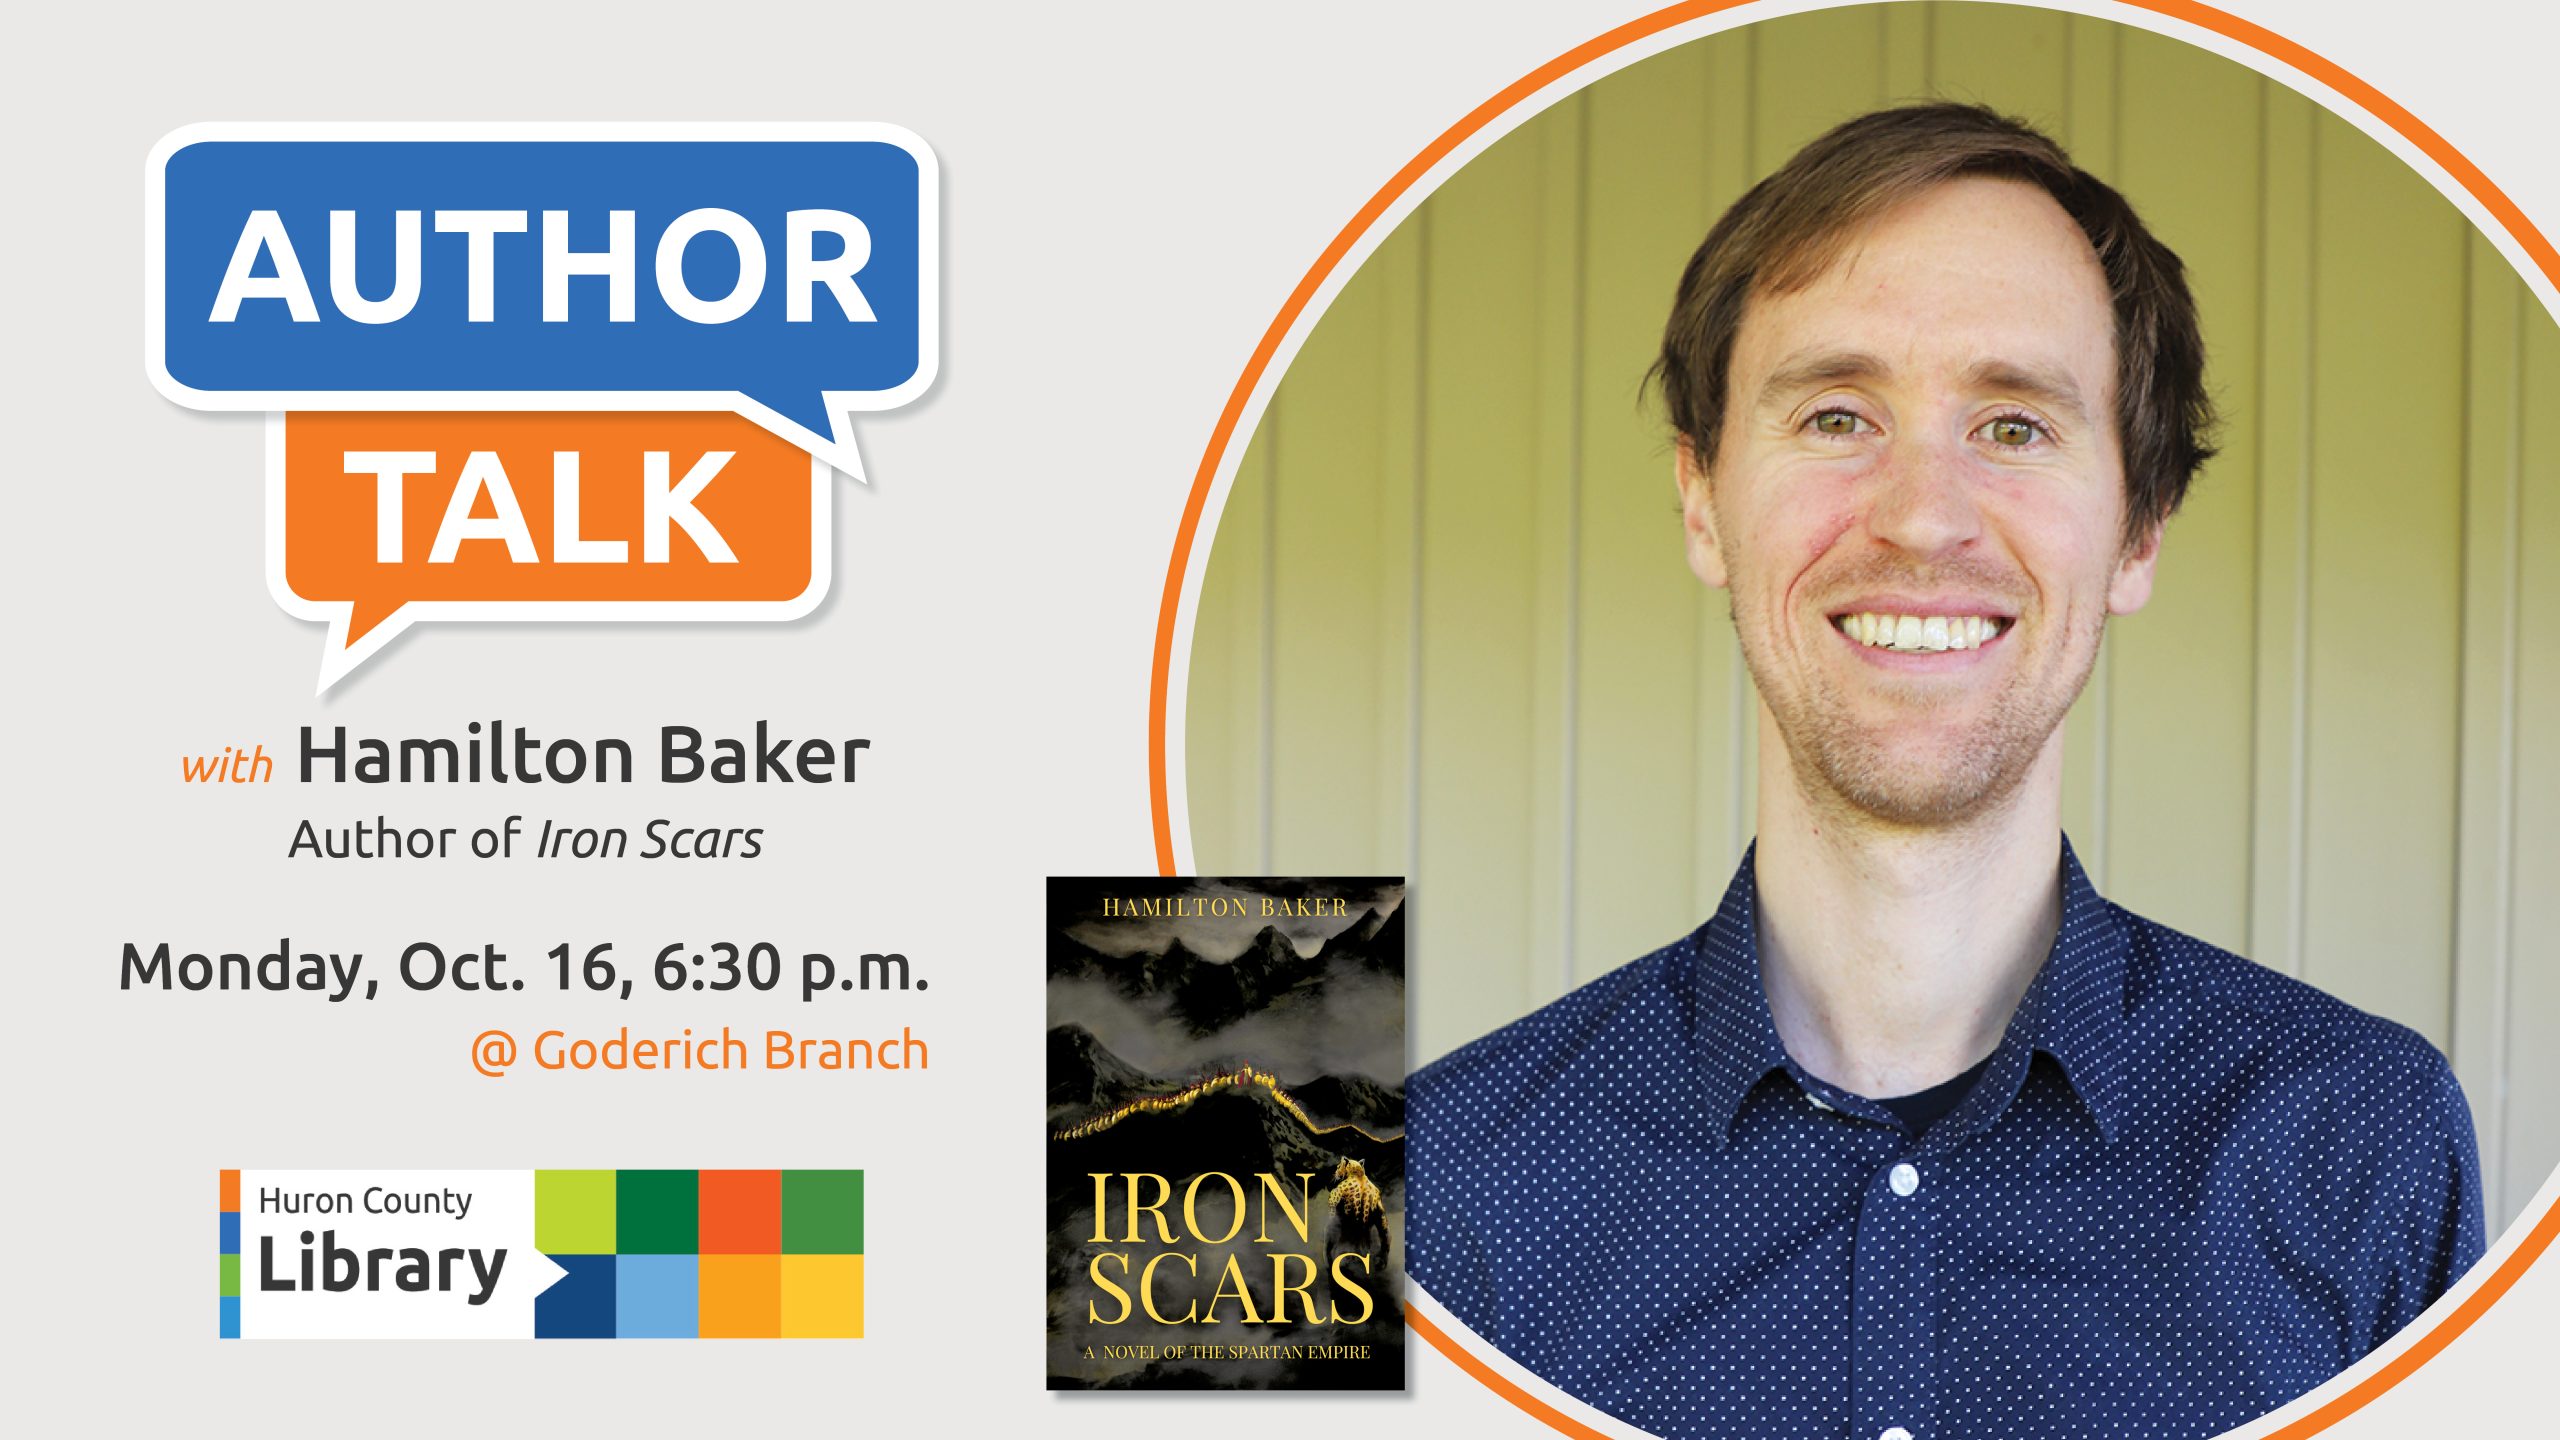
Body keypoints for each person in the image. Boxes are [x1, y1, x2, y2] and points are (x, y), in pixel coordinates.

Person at [1406, 102, 2484, 1440]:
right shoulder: (1427, 1183)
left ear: (2140, 530)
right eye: (1838, 414)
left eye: (2017, 426)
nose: (1921, 514)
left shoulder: (2359, 1148)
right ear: (1701, 500)